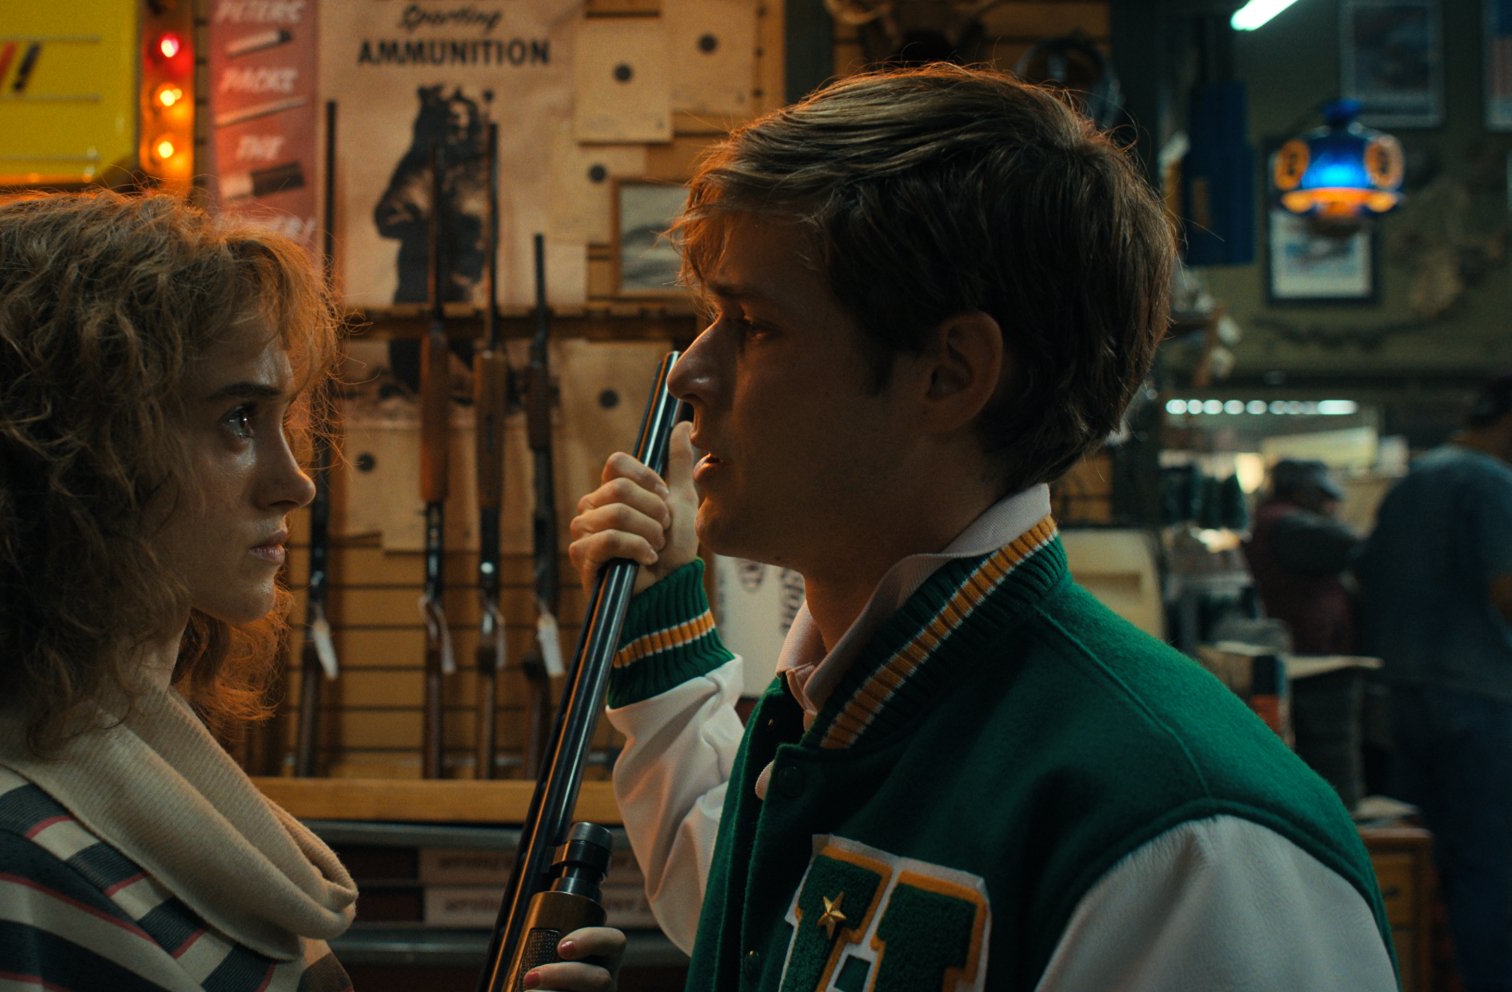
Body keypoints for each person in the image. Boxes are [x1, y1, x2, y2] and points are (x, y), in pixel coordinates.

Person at [567, 66, 1397, 991]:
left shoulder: (1190, 838)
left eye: (755, 325)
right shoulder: (830, 712)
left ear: (950, 372)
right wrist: (661, 617)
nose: (689, 374)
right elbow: (728, 888)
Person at [0, 191, 621, 991]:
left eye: (278, 421)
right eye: (236, 420)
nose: (296, 484)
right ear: (73, 456)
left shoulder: (134, 791)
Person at [1357, 374, 1512, 992]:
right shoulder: (1492, 482)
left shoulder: (1412, 483)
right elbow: (1507, 590)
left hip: (1397, 699)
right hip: (1477, 698)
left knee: (1416, 865)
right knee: (1486, 868)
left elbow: (1367, 575)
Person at [1245, 458, 1360, 654]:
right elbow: (1347, 542)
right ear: (1301, 491)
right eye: (1320, 494)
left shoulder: (1278, 518)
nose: (1328, 503)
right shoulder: (1287, 523)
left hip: (1314, 638)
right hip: (1311, 642)